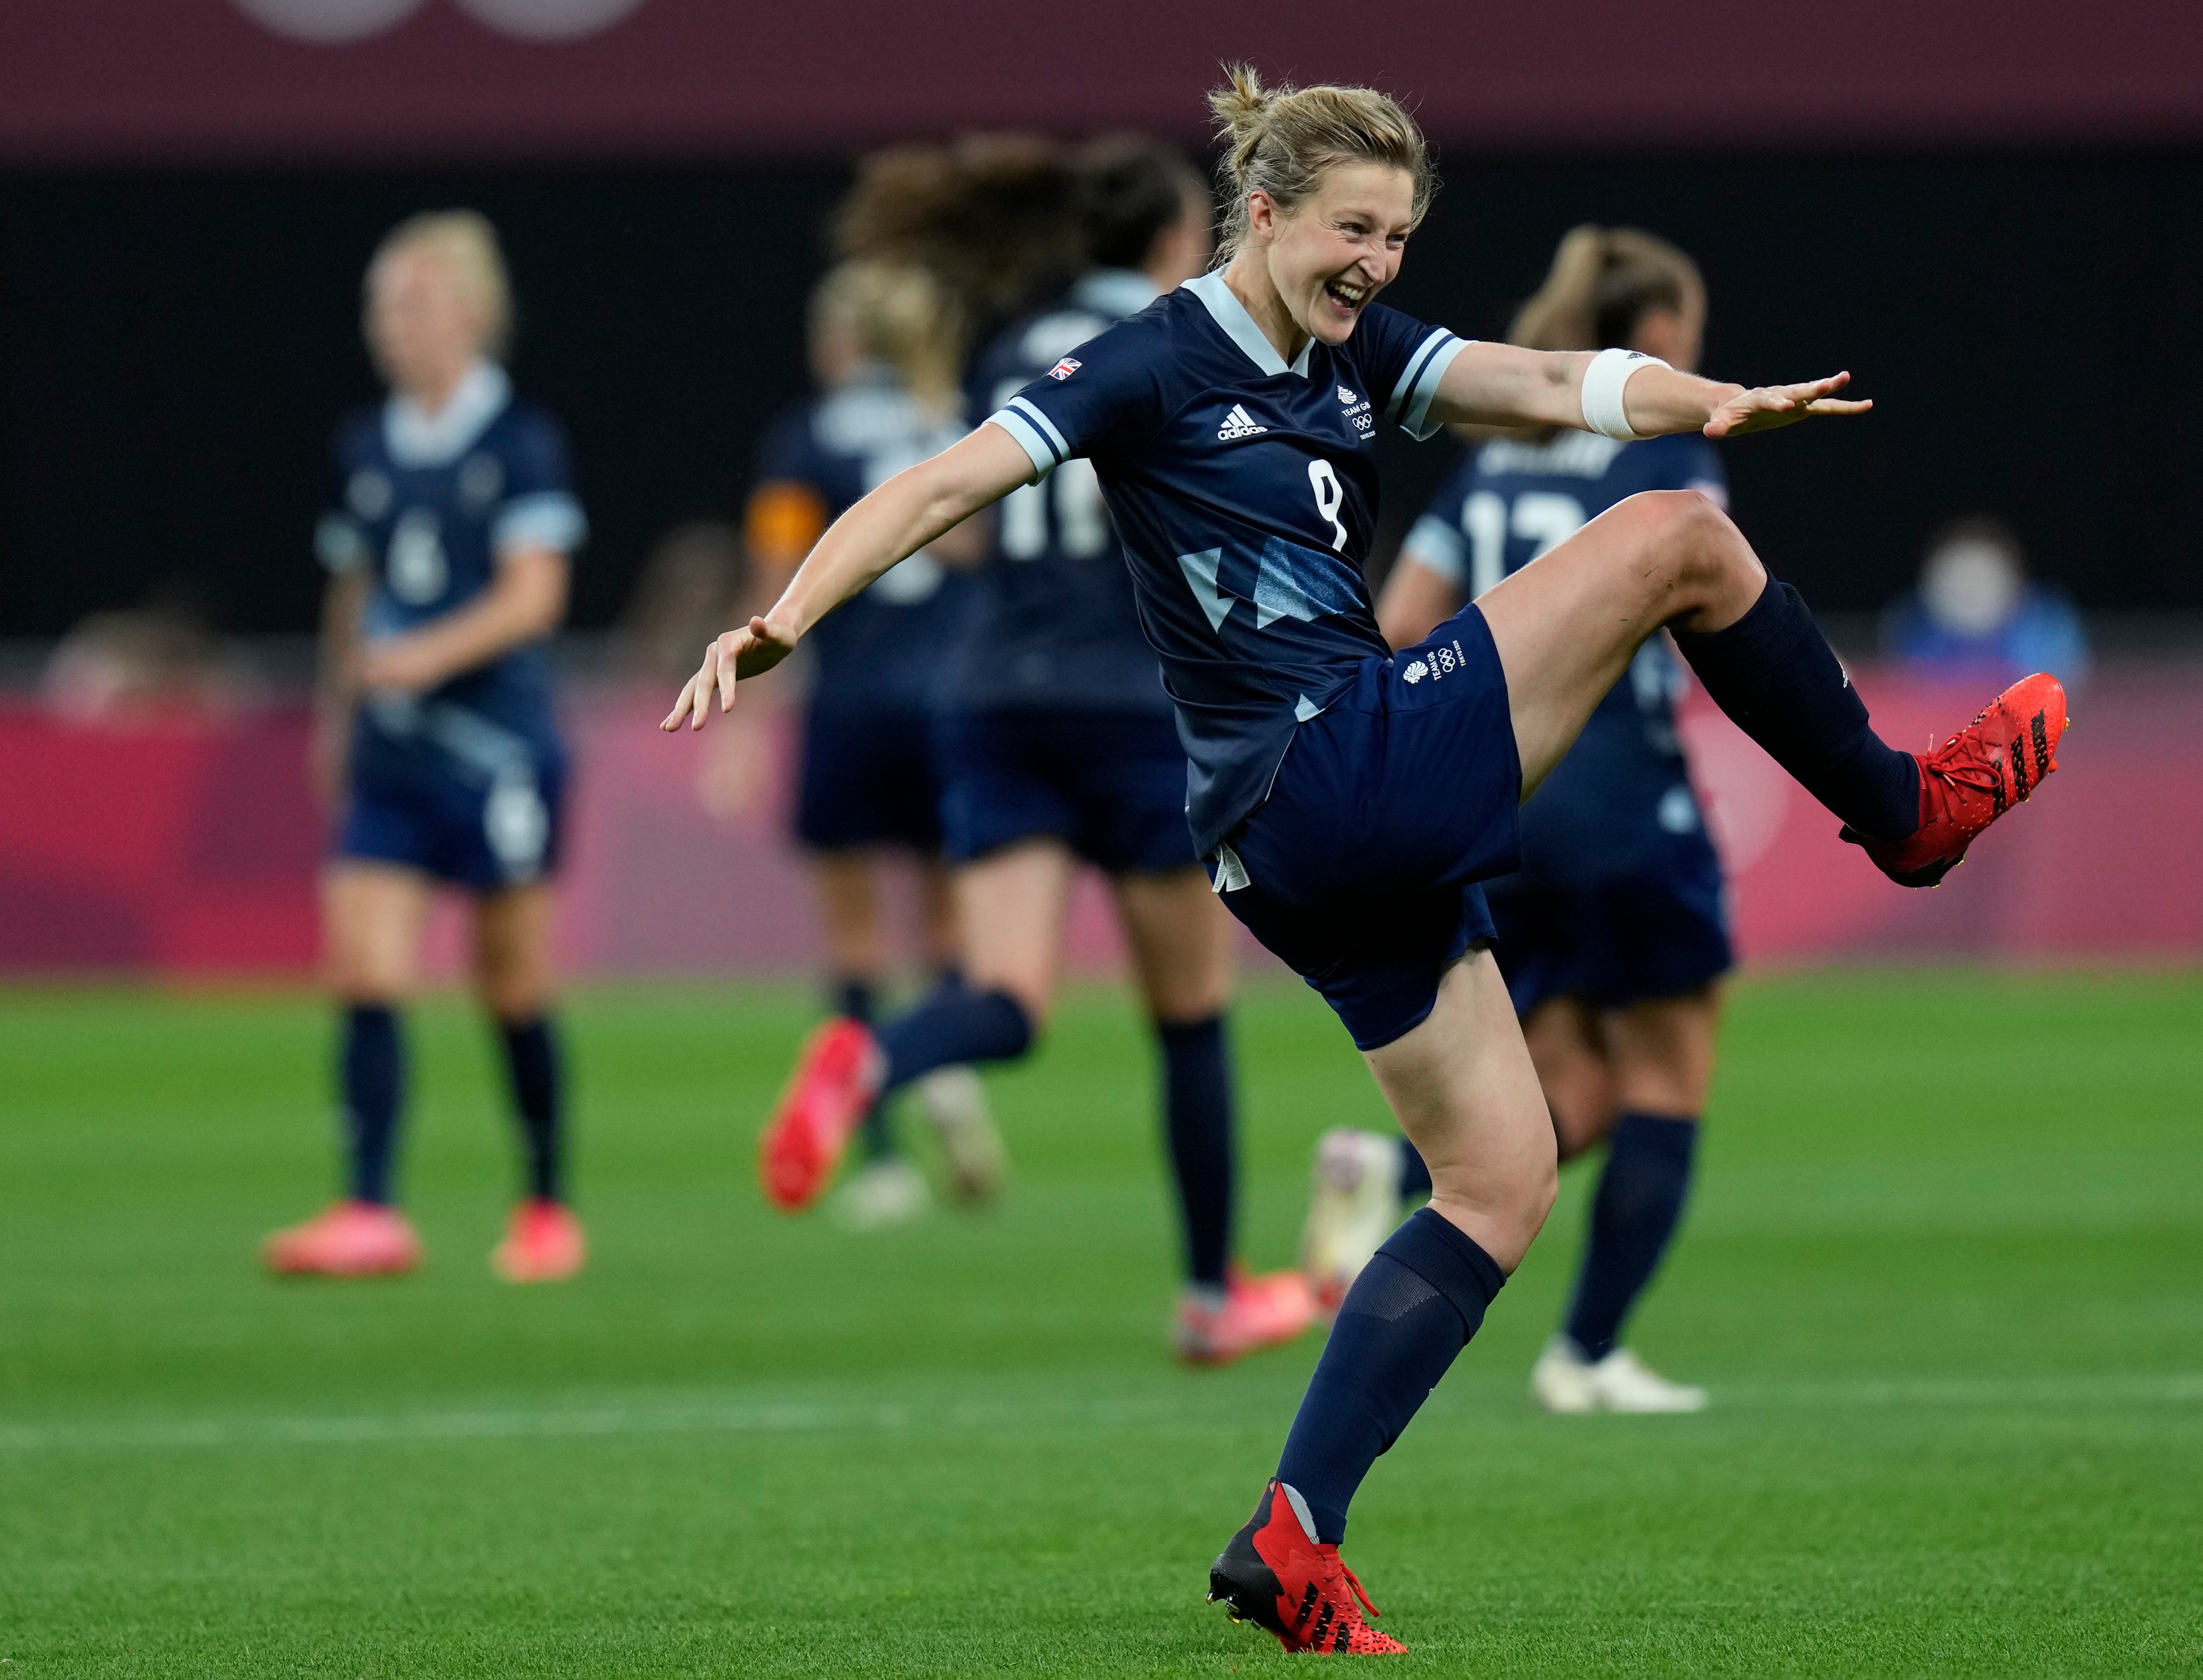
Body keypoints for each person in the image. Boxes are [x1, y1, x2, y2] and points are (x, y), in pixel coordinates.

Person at [665, 70, 2068, 1654]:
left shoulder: (1353, 354)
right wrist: (781, 618)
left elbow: (1541, 378)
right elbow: (938, 481)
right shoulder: (1151, 358)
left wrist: (1710, 399)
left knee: (1499, 1176)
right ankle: (1903, 812)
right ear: (1257, 214)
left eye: (1398, 237)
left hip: (1289, 843)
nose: (1377, 265)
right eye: (1351, 230)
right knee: (1679, 539)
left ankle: (1293, 1532)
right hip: (1327, 770)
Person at [762, 137, 1314, 1362]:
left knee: (1007, 1001)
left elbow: (958, 529)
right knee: (1188, 1014)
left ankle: (873, 1059)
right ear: (1180, 241)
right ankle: (1211, 1293)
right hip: (1136, 702)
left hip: (996, 693)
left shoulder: (1019, 347)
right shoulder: (1197, 335)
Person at [1301, 226, 1736, 1415]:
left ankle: (1382, 1169)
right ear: (1652, 343)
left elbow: (1398, 622)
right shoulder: (1669, 464)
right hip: (1624, 799)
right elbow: (1711, 601)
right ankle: (1588, 1354)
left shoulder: (1490, 471)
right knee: (1668, 1073)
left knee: (1567, 1092)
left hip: (1507, 803)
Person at [264, 211, 587, 1283]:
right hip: (394, 759)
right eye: (379, 307)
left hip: (497, 755)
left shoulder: (518, 441)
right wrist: (337, 711)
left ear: (468, 310)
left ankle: (545, 1203)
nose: (388, 326)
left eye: (408, 303)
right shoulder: (368, 444)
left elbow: (535, 597)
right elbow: (351, 592)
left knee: (512, 982)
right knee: (363, 962)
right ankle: (369, 1207)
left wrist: (426, 656)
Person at [718, 257, 1006, 1227]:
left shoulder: (806, 437)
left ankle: (879, 1162)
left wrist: (745, 728)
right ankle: (939, 1066)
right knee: (948, 928)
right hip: (951, 704)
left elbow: (775, 581)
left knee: (852, 940)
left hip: (851, 707)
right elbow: (987, 556)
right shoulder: (958, 424)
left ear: (843, 341)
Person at [1881, 514, 2089, 686]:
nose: (1968, 593)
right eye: (1955, 579)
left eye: (1981, 578)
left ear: (2015, 579)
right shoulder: (1910, 630)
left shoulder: (2049, 629)